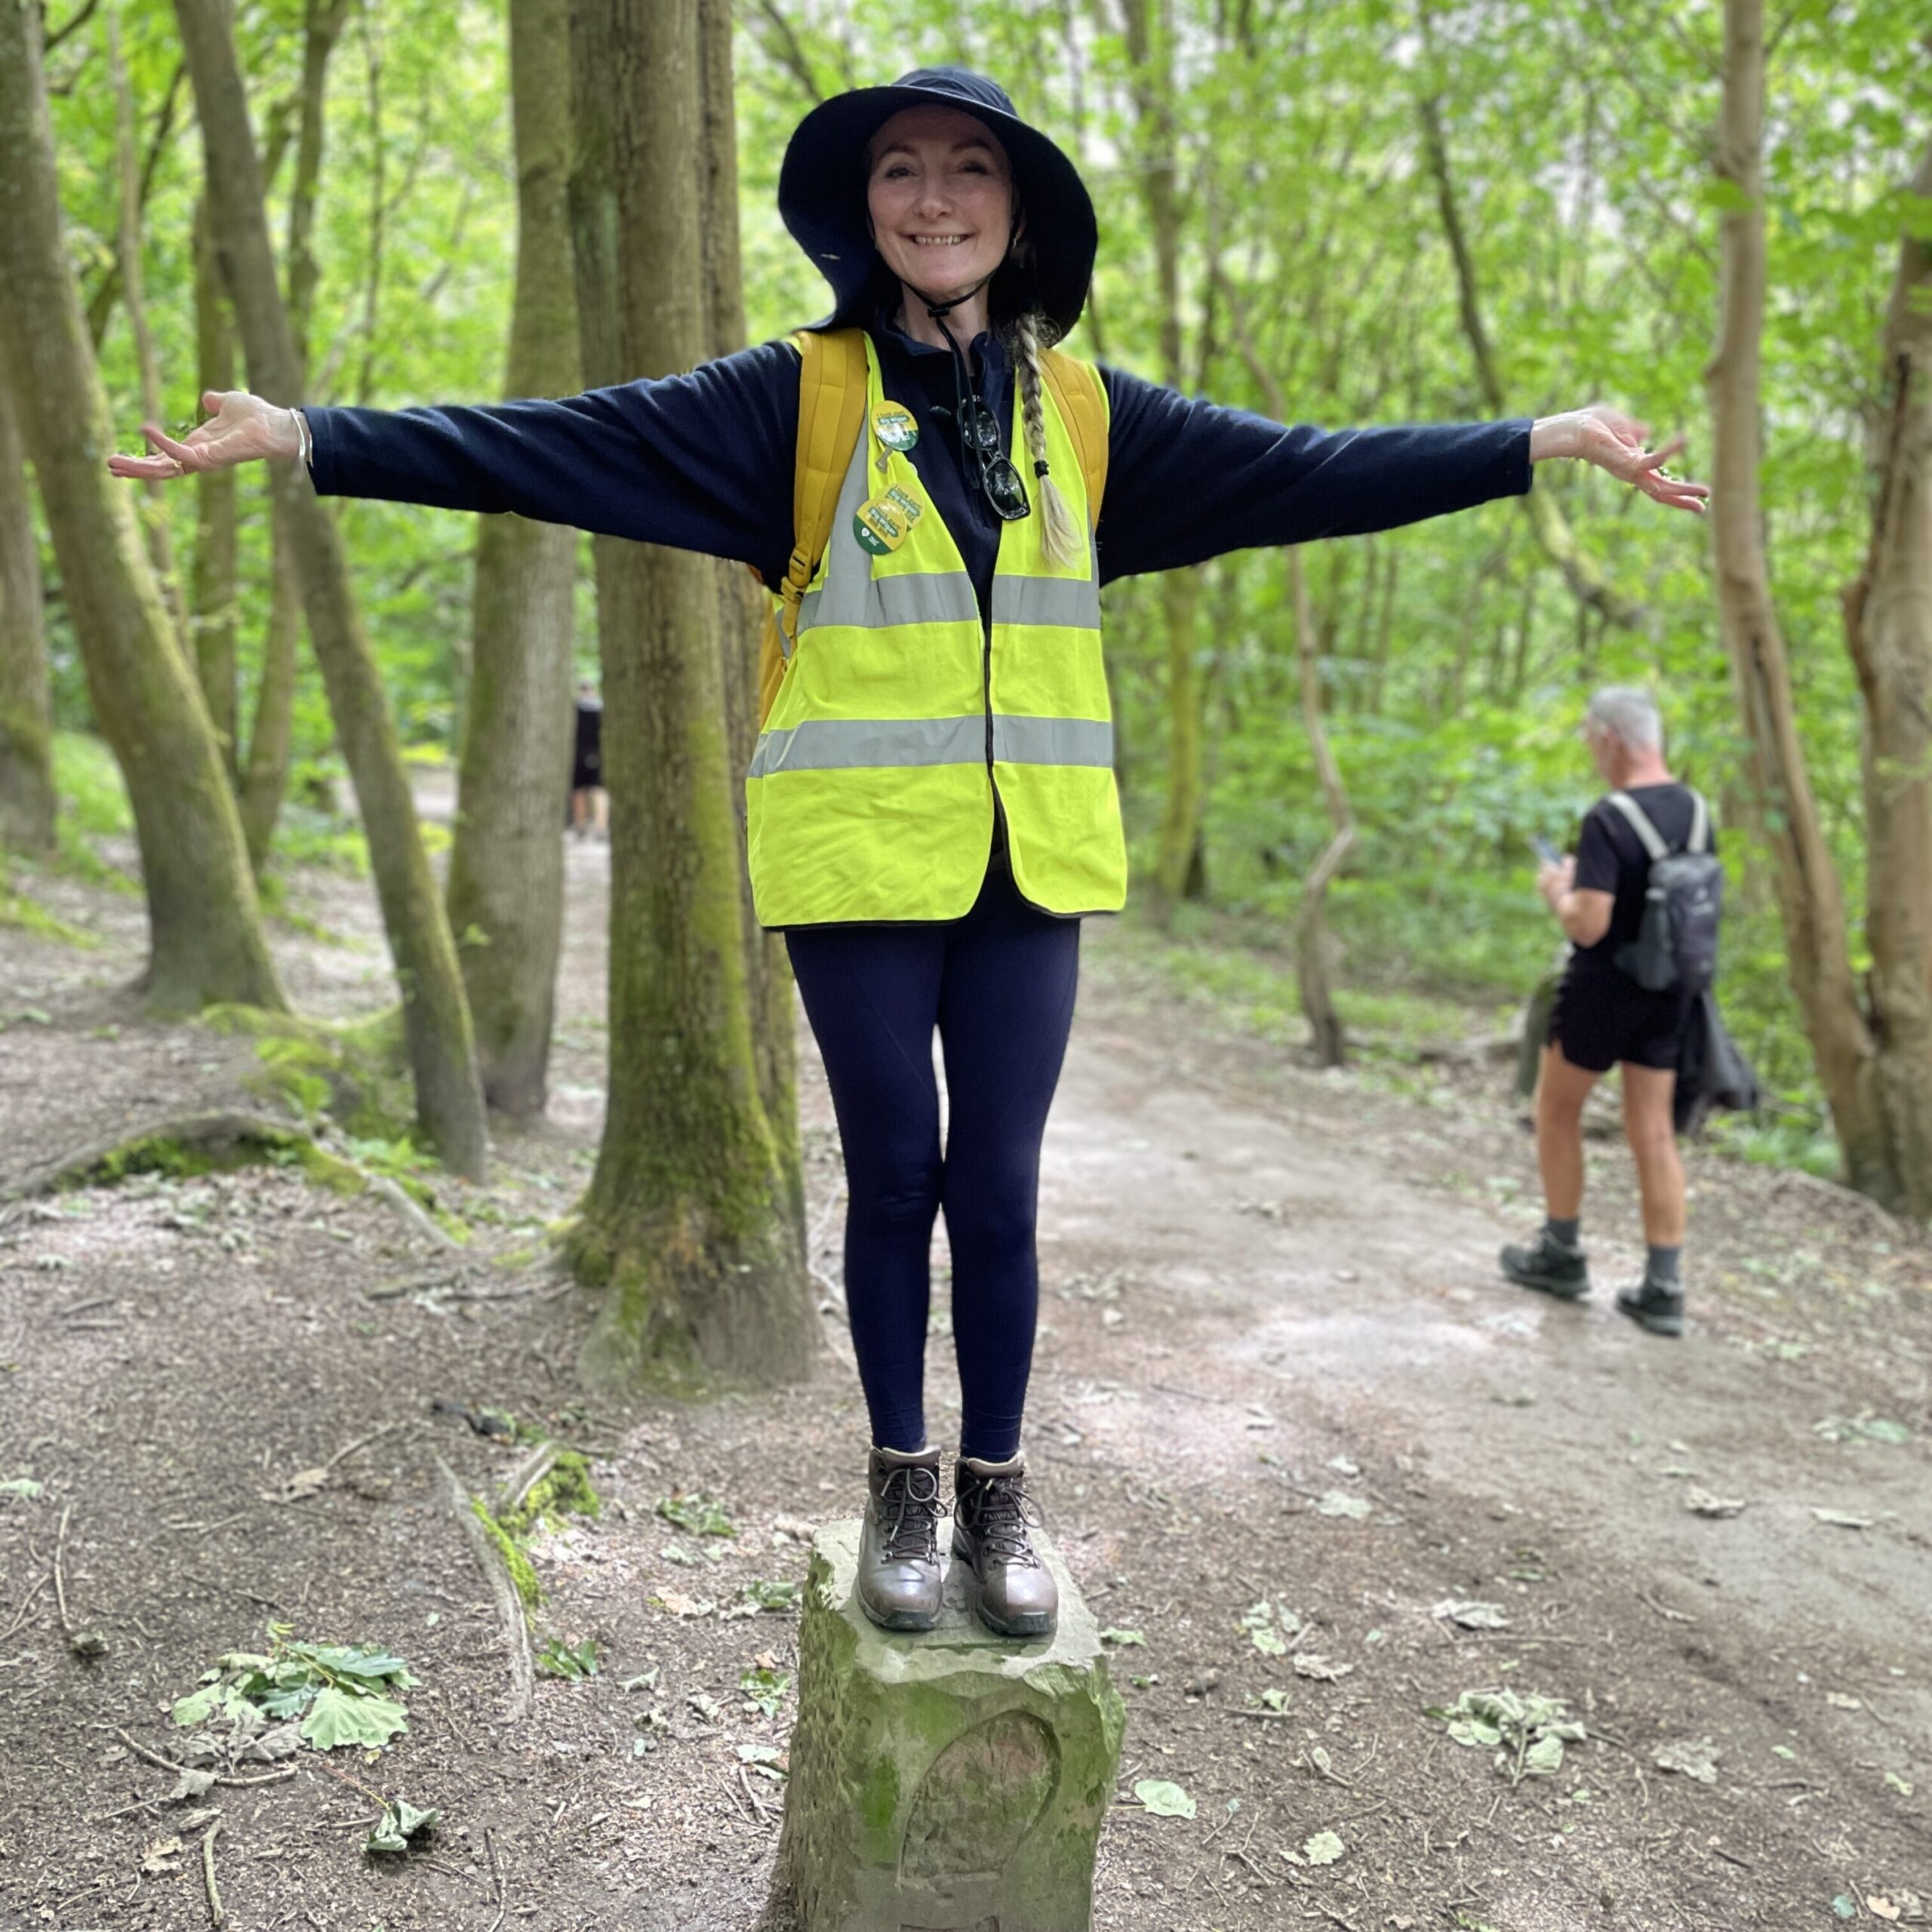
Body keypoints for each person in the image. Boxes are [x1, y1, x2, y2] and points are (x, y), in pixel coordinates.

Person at [110, 68, 1706, 1637]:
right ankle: (896, 1480)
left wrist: (1535, 441)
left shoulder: (1087, 417)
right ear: (863, 212)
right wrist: (311, 435)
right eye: (898, 171)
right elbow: (549, 445)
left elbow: (1307, 469)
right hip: (859, 859)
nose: (930, 199)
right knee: (894, 1177)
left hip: (1035, 866)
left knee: (997, 1192)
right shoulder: (789, 401)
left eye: (966, 172)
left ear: (1015, 219)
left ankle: (997, 1486)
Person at [1501, 688, 1715, 1338]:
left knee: (1557, 1109)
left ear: (1610, 740)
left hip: (1602, 989)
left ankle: (1561, 1252)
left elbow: (1589, 925)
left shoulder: (1609, 817)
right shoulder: (1696, 808)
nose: (1594, 753)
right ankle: (1664, 1286)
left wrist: (1560, 891)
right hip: (1672, 988)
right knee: (1653, 1128)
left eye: (1593, 741)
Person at [570, 680, 608, 840]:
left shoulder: (574, 711)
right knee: (597, 790)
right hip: (596, 753)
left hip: (579, 753)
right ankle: (599, 827)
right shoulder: (601, 709)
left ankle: (582, 826)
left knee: (581, 791)